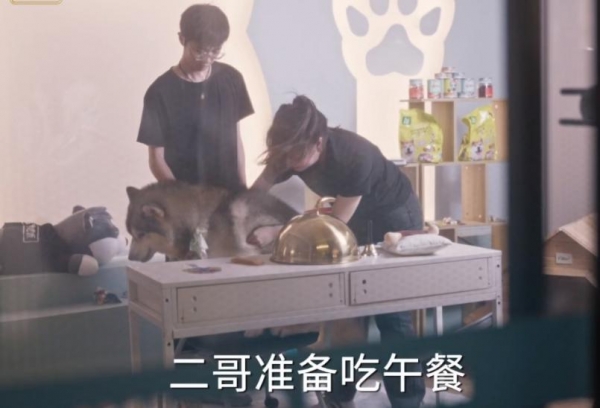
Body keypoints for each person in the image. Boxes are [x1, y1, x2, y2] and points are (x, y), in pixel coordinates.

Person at [251, 95, 426, 408]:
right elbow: (252, 195)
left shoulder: (353, 155)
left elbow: (335, 221)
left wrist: (276, 231)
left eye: (296, 155)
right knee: (349, 313)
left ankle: (408, 402)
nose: (289, 161)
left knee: (392, 317)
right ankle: (339, 398)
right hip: (354, 217)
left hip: (394, 217)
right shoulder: (289, 151)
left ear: (318, 142)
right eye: (284, 154)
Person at [137, 4, 253, 192]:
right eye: (200, 51)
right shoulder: (159, 93)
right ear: (182, 39)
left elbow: (236, 141)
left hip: (229, 196)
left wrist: (243, 189)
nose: (207, 59)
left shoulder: (232, 79)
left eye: (215, 51)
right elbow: (156, 159)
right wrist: (184, 198)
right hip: (187, 199)